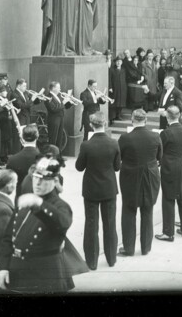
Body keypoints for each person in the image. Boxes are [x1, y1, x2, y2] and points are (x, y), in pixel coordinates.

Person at [0, 155, 75, 293]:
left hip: (44, 275)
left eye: (44, 179)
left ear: (55, 181)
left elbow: (62, 223)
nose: (37, 183)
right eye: (35, 177)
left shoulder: (60, 206)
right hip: (17, 271)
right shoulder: (26, 200)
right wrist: (3, 267)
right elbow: (8, 238)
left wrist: (39, 204)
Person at [75, 112, 121, 269]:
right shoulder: (114, 143)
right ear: (105, 124)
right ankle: (111, 259)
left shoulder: (86, 145)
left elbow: (79, 167)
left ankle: (92, 261)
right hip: (108, 187)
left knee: (91, 224)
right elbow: (117, 167)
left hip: (91, 188)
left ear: (91, 125)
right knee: (110, 224)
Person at [117, 109, 162, 256]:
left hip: (130, 177)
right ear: (146, 120)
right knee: (147, 211)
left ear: (132, 120)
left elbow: (118, 160)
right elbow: (159, 156)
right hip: (150, 176)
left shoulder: (125, 138)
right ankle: (146, 247)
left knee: (129, 211)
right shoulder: (155, 136)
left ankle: (129, 248)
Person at [155, 106, 182, 242]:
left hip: (169, 166)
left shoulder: (165, 133)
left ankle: (168, 232)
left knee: (168, 198)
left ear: (168, 117)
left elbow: (160, 151)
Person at [6, 124, 41, 200]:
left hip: (20, 198)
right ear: (37, 137)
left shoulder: (12, 159)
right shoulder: (44, 159)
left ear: (22, 138)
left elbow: (8, 184)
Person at [44, 81, 75, 151]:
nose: (60, 89)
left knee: (59, 138)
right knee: (53, 139)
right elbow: (53, 109)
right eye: (58, 87)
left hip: (60, 119)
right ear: (53, 88)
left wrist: (70, 101)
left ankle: (58, 156)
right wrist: (64, 102)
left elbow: (64, 107)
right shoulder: (48, 97)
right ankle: (52, 156)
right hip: (53, 120)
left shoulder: (57, 97)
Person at [108, 58, 128, 123]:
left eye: (120, 61)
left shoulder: (123, 70)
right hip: (114, 88)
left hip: (122, 88)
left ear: (121, 62)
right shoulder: (111, 70)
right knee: (114, 102)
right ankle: (112, 117)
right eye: (117, 62)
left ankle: (118, 115)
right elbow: (109, 79)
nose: (118, 63)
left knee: (121, 102)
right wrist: (110, 87)